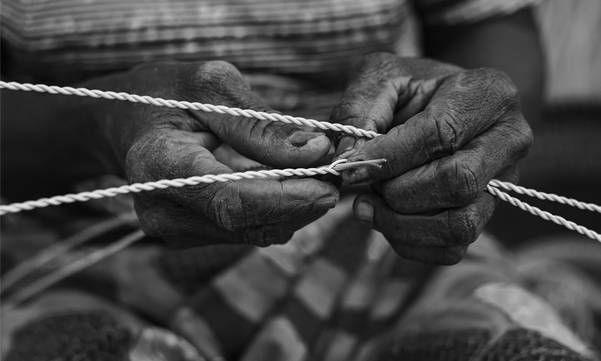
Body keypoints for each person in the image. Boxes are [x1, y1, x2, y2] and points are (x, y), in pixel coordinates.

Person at [3, 0, 595, 360]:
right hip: (63, 253)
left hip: (384, 249)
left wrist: (454, 125)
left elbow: (491, 38)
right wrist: (103, 125)